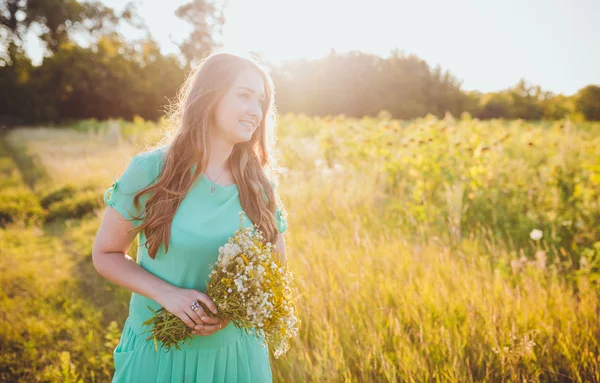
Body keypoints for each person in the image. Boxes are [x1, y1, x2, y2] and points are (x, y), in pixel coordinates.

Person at [92, 51, 289, 383]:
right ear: (210, 97)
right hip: (160, 354)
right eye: (244, 95)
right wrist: (168, 294)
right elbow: (106, 254)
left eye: (261, 101)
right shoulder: (150, 171)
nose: (255, 111)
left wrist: (232, 308)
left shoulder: (260, 185)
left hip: (237, 357)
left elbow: (277, 267)